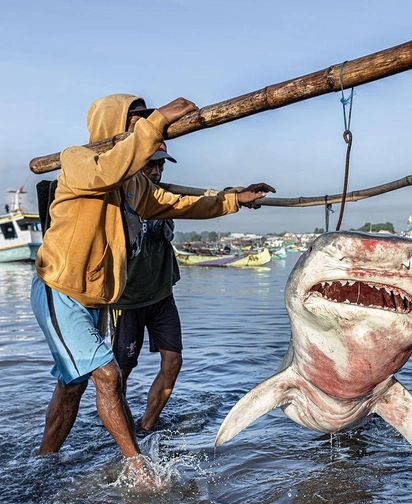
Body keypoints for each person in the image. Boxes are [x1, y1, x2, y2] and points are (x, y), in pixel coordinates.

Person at [30, 93, 275, 482]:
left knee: (72, 385)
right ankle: (138, 467)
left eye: (143, 121)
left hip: (95, 299)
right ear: (113, 126)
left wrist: (234, 200)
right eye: (134, 121)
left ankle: (42, 463)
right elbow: (105, 172)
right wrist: (157, 120)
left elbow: (177, 203)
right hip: (59, 289)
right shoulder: (77, 160)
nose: (141, 127)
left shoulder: (133, 186)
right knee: (108, 376)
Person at [110, 142, 183, 432]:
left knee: (173, 361)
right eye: (150, 166)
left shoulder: (164, 199)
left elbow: (169, 228)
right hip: (128, 300)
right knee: (119, 374)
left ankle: (146, 428)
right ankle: (121, 430)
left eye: (160, 166)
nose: (157, 172)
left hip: (162, 295)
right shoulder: (117, 198)